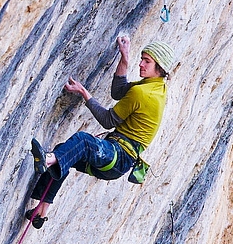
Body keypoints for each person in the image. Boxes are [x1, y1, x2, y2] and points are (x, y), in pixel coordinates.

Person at [25, 36, 175, 228]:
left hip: (118, 156)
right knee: (65, 152)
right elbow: (118, 91)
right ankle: (40, 212)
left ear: (160, 68)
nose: (141, 64)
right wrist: (125, 58)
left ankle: (45, 160)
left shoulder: (144, 93)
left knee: (83, 141)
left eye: (147, 61)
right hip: (119, 160)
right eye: (142, 59)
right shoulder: (155, 87)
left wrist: (83, 92)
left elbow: (107, 120)